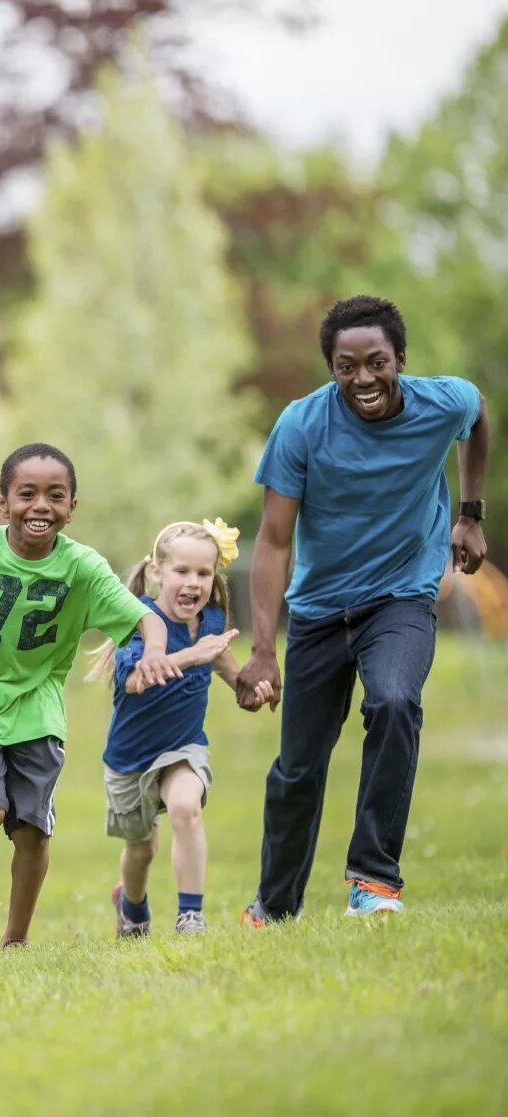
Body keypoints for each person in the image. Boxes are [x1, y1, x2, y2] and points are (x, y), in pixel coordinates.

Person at [238, 295, 490, 925]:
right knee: (298, 769)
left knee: (396, 700)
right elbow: (272, 540)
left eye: (376, 363)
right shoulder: (302, 425)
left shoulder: (442, 402)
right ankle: (274, 908)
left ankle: (374, 881)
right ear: (331, 369)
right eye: (346, 367)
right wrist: (265, 648)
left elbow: (480, 413)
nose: (363, 379)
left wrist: (470, 513)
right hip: (321, 608)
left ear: (400, 359)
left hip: (401, 596)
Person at [0, 443, 181, 949]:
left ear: (72, 507)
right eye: (27, 494)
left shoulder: (83, 569)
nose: (40, 506)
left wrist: (154, 649)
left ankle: (15, 940)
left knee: (32, 832)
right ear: (3, 503)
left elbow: (145, 617)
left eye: (55, 495)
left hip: (39, 709)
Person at [87, 519, 272, 937]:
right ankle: (131, 906)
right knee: (142, 849)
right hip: (130, 759)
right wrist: (191, 655)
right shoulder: (139, 620)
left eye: (203, 574)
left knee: (187, 807)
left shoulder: (211, 620)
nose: (194, 583)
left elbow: (223, 664)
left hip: (183, 747)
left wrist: (250, 688)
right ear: (156, 572)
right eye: (182, 572)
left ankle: (190, 914)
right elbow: (134, 681)